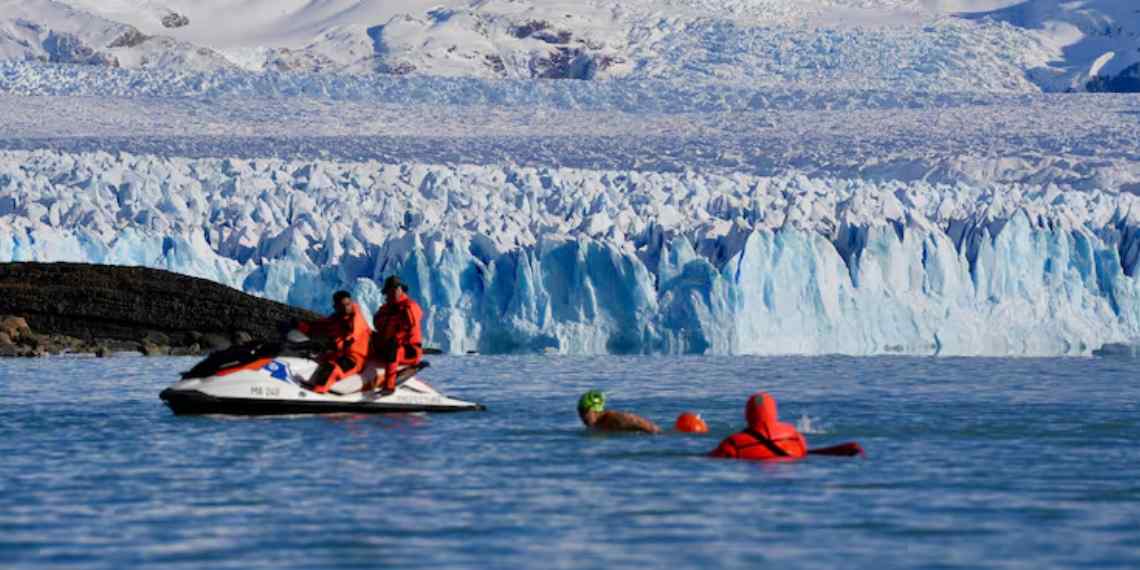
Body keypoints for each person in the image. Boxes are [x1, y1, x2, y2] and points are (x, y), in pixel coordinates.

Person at [297, 290, 372, 393]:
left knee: (331, 368)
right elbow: (321, 326)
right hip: (338, 354)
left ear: (351, 302)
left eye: (348, 304)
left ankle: (318, 393)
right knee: (308, 359)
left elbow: (354, 333)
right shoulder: (337, 318)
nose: (346, 308)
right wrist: (300, 326)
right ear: (336, 307)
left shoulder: (357, 318)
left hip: (354, 358)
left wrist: (340, 343)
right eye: (342, 306)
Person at [709, 392, 808, 460]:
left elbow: (715, 457)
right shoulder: (795, 437)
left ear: (747, 414)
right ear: (775, 412)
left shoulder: (733, 444)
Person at [368, 275, 424, 392]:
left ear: (400, 289)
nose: (391, 293)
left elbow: (412, 324)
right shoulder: (385, 309)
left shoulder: (410, 306)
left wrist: (395, 337)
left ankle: (389, 386)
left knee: (393, 347)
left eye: (394, 289)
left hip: (409, 350)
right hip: (388, 346)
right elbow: (377, 324)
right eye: (389, 291)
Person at [577, 390, 662, 434]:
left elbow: (652, 429)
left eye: (584, 411)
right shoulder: (596, 425)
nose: (581, 416)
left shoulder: (616, 418)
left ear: (595, 410)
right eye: (580, 411)